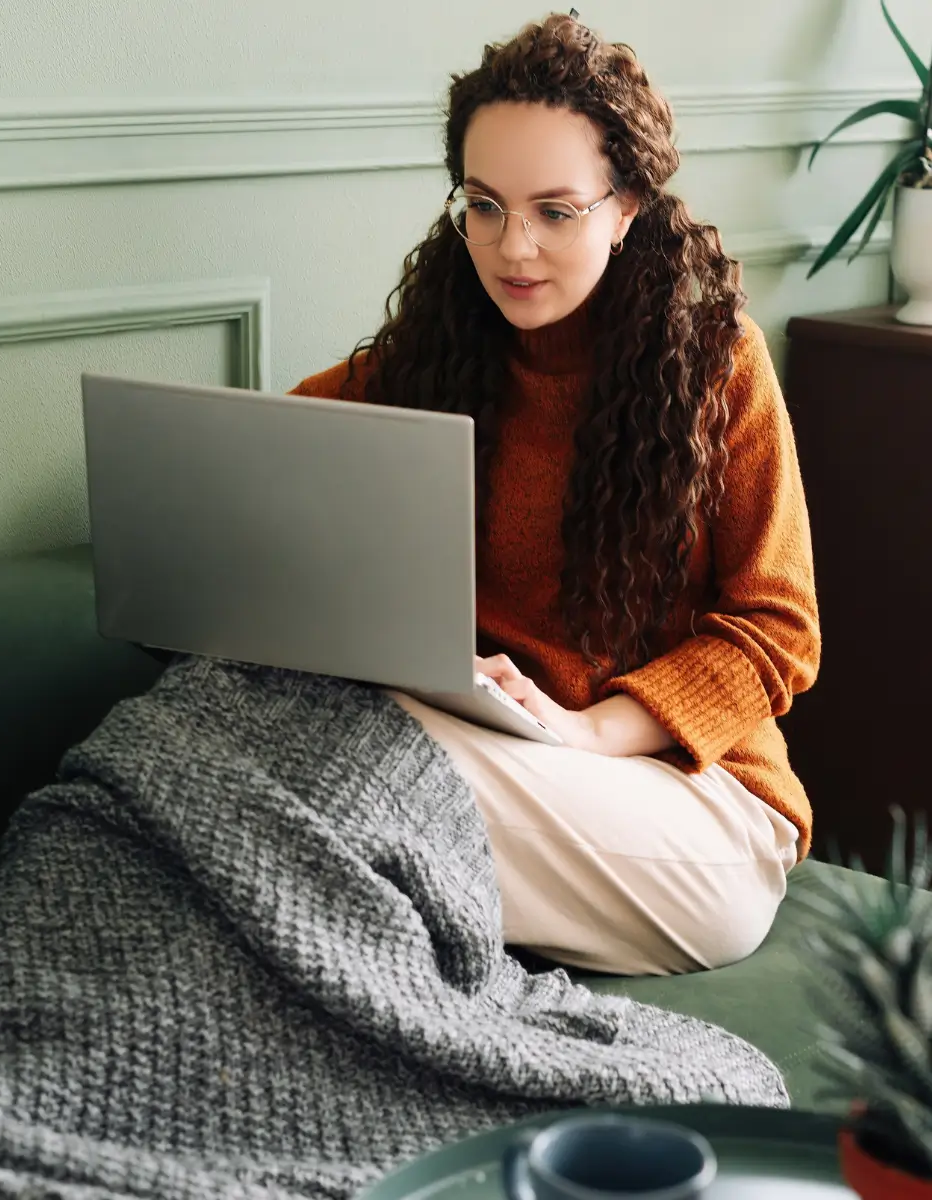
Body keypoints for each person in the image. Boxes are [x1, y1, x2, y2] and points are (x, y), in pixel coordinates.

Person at [288, 12, 820, 977]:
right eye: (483, 205)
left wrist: (586, 732)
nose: (512, 247)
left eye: (555, 210)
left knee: (352, 773)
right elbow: (271, 455)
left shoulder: (717, 367)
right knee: (242, 725)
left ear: (626, 210)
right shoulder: (431, 361)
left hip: (696, 805)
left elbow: (779, 631)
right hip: (493, 758)